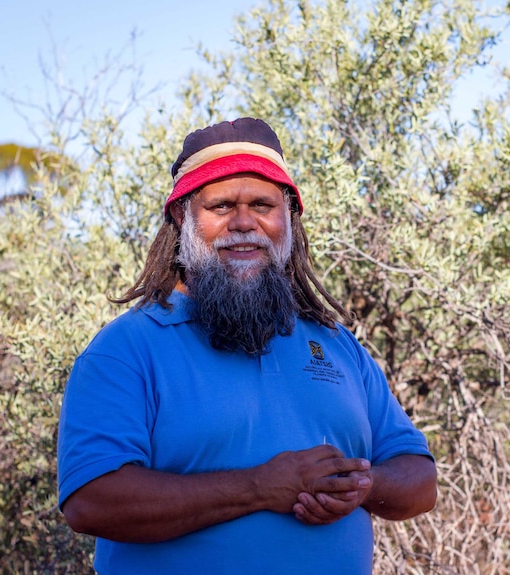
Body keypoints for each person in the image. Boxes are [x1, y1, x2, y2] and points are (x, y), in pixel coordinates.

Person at [57, 117, 437, 574]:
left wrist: (362, 483)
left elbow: (420, 480)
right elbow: (91, 502)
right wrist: (259, 487)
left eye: (262, 204)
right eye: (220, 206)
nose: (243, 223)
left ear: (288, 217)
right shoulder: (126, 349)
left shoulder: (336, 346)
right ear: (183, 216)